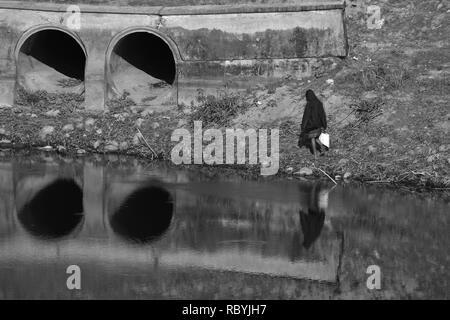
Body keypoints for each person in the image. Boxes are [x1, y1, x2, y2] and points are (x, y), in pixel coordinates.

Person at [298, 89, 328, 158]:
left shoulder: (309, 105)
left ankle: (315, 155)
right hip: (318, 126)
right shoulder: (319, 103)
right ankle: (323, 150)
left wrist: (303, 128)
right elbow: (322, 115)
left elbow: (305, 117)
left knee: (313, 139)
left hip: (310, 127)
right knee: (317, 138)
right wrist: (324, 125)